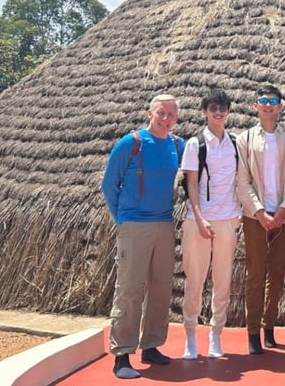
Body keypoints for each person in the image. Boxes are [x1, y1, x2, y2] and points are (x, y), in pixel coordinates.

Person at [101, 94, 183, 379]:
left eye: (171, 114)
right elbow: (109, 184)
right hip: (135, 225)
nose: (165, 118)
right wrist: (124, 219)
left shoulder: (177, 145)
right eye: (161, 113)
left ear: (176, 118)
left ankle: (151, 345)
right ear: (150, 113)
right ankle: (122, 353)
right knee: (130, 288)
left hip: (165, 223)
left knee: (161, 287)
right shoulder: (131, 143)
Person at [179, 88, 241, 361]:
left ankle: (216, 333)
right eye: (213, 108)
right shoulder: (195, 144)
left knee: (223, 281)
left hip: (227, 218)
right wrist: (200, 217)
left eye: (222, 108)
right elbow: (191, 184)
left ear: (228, 112)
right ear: (204, 112)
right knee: (195, 279)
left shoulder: (236, 143)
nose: (218, 112)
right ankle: (191, 335)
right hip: (199, 220)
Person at [235, 84, 285, 355]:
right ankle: (252, 332)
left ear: (280, 107)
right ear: (255, 106)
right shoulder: (245, 139)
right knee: (255, 274)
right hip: (254, 217)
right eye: (263, 101)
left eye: (273, 101)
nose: (268, 105)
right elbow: (242, 180)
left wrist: (283, 208)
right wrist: (259, 211)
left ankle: (269, 325)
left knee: (278, 273)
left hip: (283, 217)